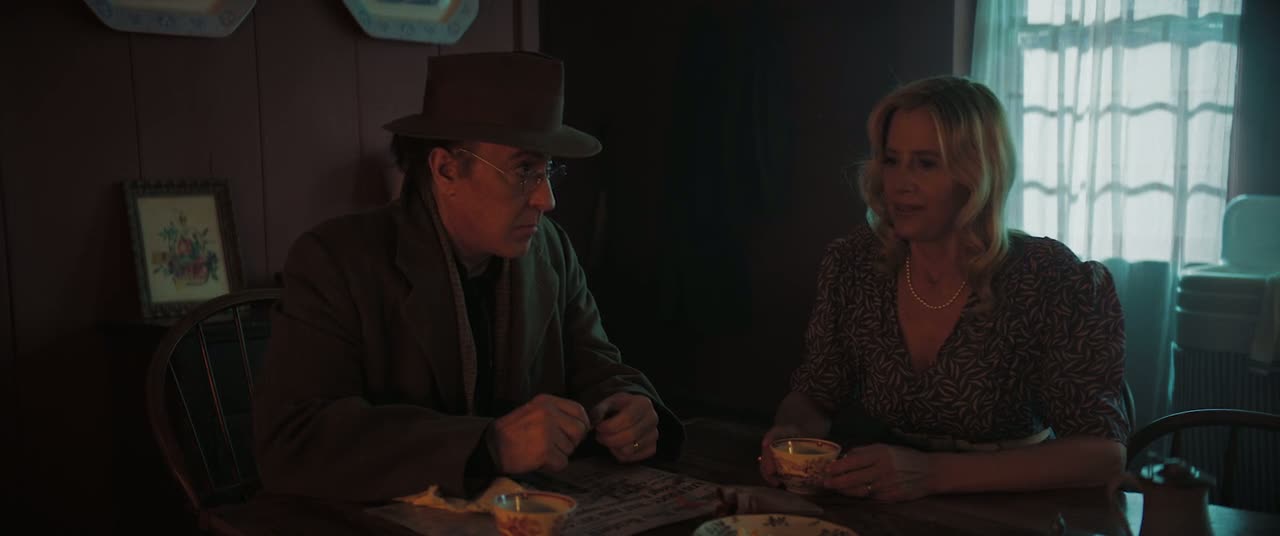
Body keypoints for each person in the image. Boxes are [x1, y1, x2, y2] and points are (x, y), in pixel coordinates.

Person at [253, 51, 684, 503]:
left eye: (548, 170)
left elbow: (597, 367)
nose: (547, 199)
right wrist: (489, 445)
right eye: (524, 170)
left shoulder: (550, 249)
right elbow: (293, 440)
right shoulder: (337, 261)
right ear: (446, 170)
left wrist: (629, 405)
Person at [759, 76, 1128, 502]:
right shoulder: (855, 265)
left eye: (926, 163)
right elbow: (816, 393)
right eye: (892, 160)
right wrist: (790, 434)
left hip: (1016, 502)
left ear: (978, 174)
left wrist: (931, 474)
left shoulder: (1050, 278)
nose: (900, 183)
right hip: (889, 498)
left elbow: (1103, 454)